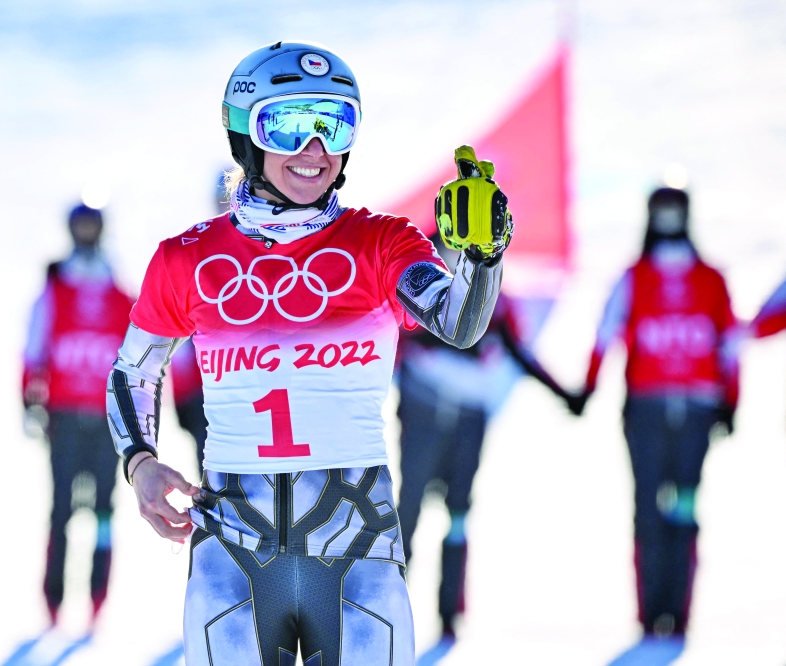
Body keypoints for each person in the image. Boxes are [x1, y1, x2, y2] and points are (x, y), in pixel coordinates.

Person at [105, 42, 512, 665]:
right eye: (289, 125)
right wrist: (140, 464)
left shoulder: (382, 241)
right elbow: (135, 368)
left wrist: (481, 256)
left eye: (334, 123)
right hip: (232, 552)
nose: (315, 149)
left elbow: (458, 323)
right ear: (245, 135)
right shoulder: (186, 257)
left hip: (359, 550)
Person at [572, 186, 740, 638]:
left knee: (684, 508)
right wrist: (587, 387)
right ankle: (650, 616)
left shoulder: (710, 279)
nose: (668, 220)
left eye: (675, 211)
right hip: (645, 409)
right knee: (648, 508)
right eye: (661, 212)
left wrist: (731, 401)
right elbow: (605, 331)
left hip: (697, 410)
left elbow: (729, 343)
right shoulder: (634, 276)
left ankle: (679, 613)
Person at [396, 233, 575, 642]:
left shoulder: (493, 297)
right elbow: (382, 345)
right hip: (423, 411)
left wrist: (565, 392)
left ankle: (448, 617)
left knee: (458, 511)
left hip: (469, 419)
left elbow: (517, 350)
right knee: (408, 510)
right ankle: (392, 610)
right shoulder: (412, 279)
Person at [22, 204, 134, 626]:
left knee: (105, 511)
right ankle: (53, 599)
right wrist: (29, 401)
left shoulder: (120, 290)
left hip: (106, 421)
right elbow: (34, 345)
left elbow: (140, 358)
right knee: (61, 509)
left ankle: (96, 596)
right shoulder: (56, 285)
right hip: (64, 414)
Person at [167, 172, 230, 474]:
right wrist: (183, 395)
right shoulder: (199, 254)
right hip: (207, 393)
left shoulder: (280, 248)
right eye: (224, 198)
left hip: (263, 387)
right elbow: (180, 333)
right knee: (212, 475)